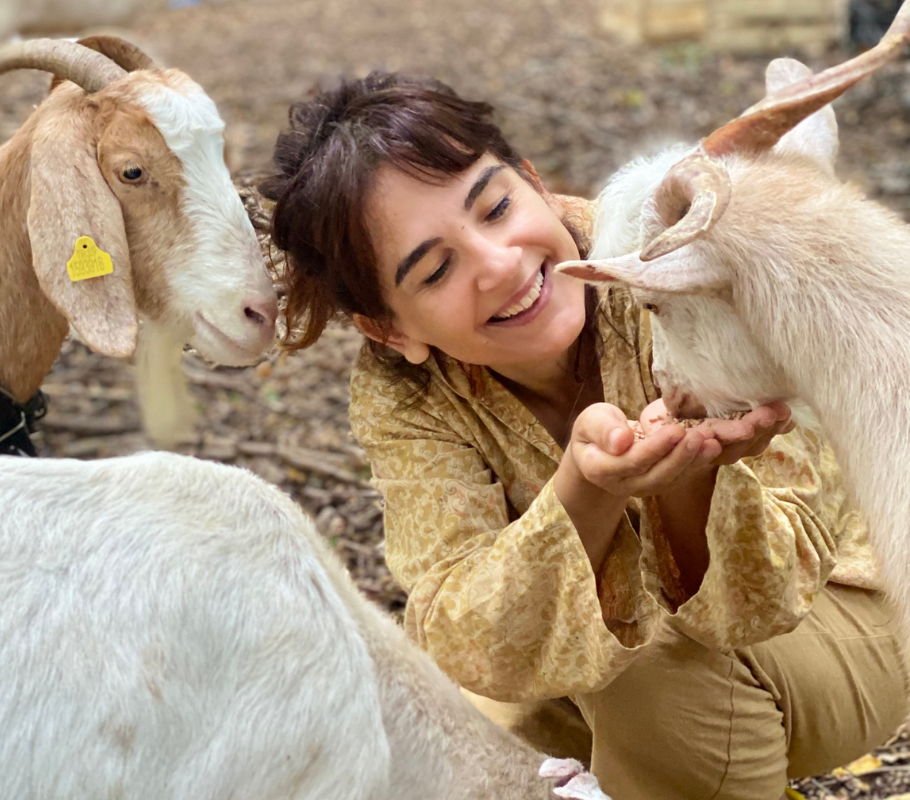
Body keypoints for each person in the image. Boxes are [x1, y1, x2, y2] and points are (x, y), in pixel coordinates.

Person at [260, 72, 907, 799]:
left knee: (644, 675)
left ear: (532, 181)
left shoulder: (677, 261)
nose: (500, 264)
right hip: (611, 686)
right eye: (438, 268)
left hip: (851, 617)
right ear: (389, 329)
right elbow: (461, 631)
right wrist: (585, 493)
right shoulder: (405, 393)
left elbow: (774, 597)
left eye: (498, 207)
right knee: (449, 712)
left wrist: (693, 482)